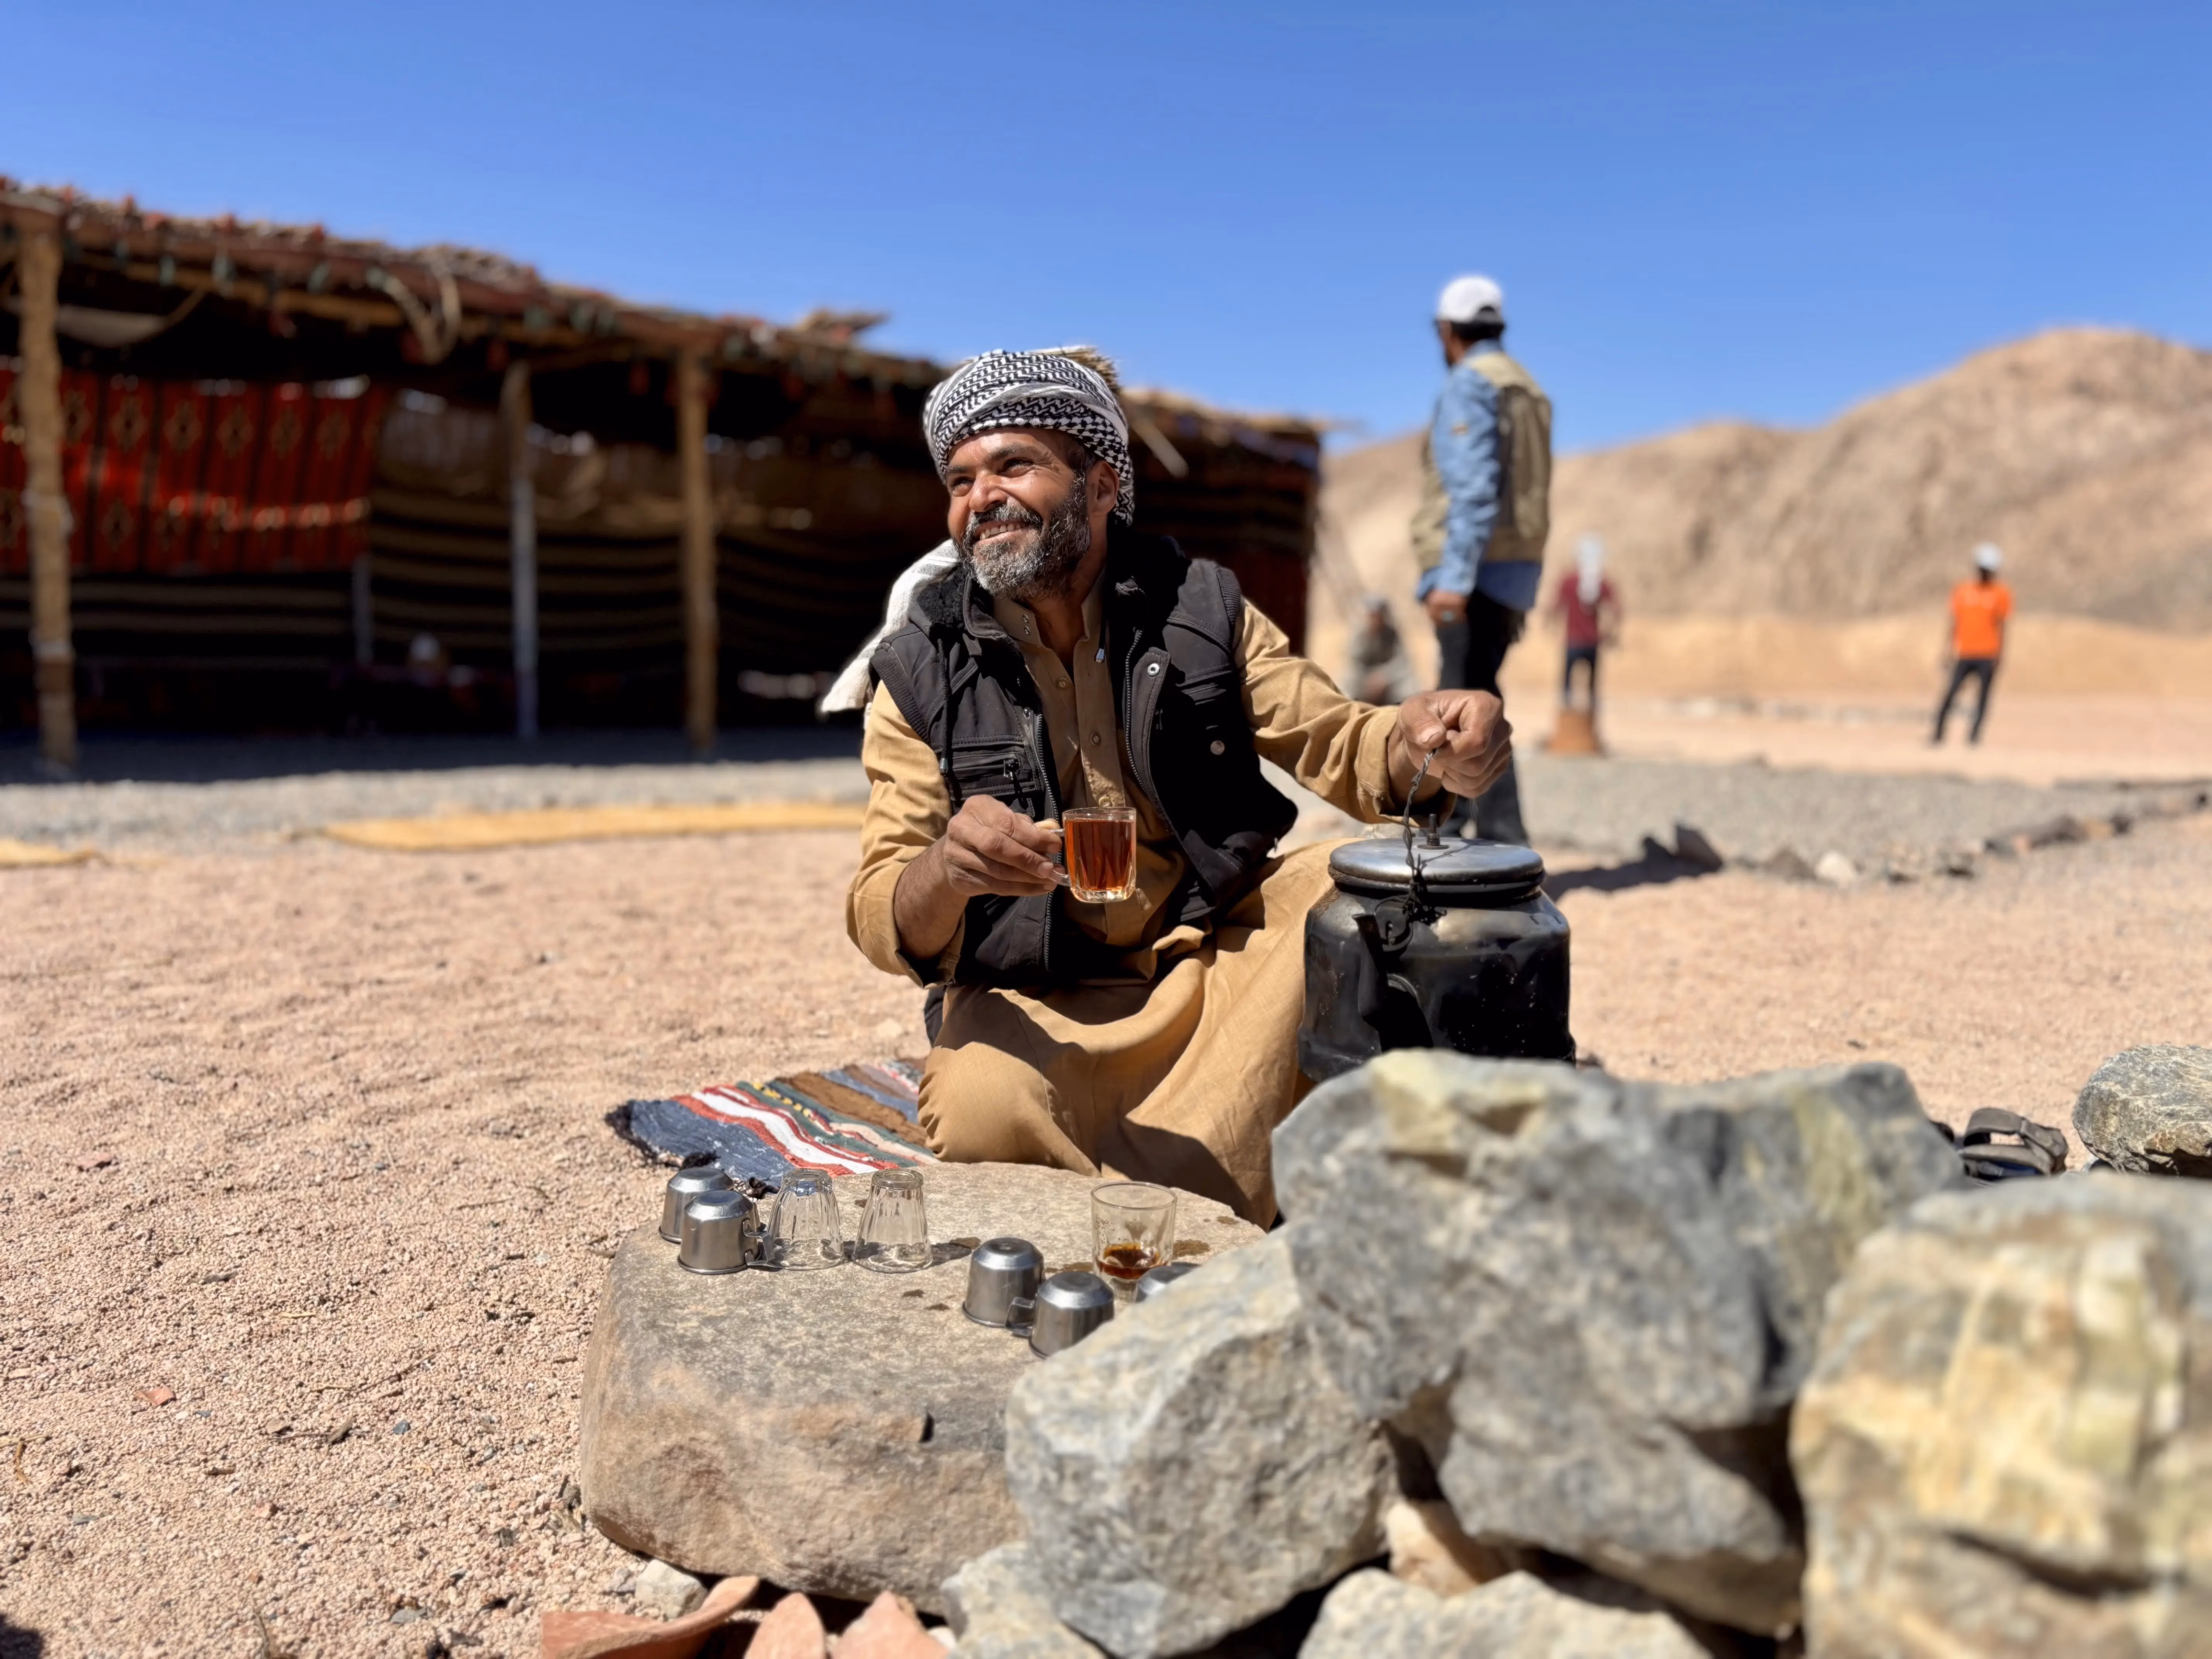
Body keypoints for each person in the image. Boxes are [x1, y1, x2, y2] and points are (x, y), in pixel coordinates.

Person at [840, 347, 1512, 1223]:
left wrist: (1431, 746)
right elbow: (881, 903)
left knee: (1360, 886)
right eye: (962, 480)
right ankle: (1232, 1174)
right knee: (979, 1108)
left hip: (1214, 959)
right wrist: (949, 870)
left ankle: (1158, 1182)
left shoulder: (1199, 607)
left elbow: (1342, 740)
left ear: (1100, 487)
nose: (981, 498)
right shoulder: (918, 670)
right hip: (1042, 992)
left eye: (1014, 466)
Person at [1413, 274, 1552, 844]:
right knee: (1478, 694)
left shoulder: (1471, 385)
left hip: (1474, 574)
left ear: (1448, 333)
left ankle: (1497, 840)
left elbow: (1473, 490)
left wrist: (1454, 579)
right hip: (1515, 568)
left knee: (1463, 708)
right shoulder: (1529, 389)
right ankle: (1474, 828)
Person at [1932, 543, 2013, 744]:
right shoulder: (1963, 591)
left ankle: (1974, 737)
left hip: (1988, 652)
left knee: (1983, 698)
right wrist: (1947, 649)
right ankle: (1938, 734)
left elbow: (2003, 625)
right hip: (1965, 652)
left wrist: (2001, 654)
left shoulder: (2001, 593)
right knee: (1951, 693)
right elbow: (1954, 621)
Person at [1550, 534, 1620, 709]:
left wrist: (1550, 626)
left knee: (1567, 686)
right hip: (1592, 641)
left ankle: (1568, 724)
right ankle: (1589, 726)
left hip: (1573, 640)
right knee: (1592, 688)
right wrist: (1611, 632)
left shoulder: (1569, 581)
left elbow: (1555, 607)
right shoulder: (1601, 582)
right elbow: (1616, 609)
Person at [1346, 592, 1416, 705]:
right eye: (1372, 616)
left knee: (1410, 685)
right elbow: (1355, 661)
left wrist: (1384, 676)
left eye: (1378, 615)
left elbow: (1401, 661)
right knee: (1349, 682)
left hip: (1388, 677)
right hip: (1364, 676)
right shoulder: (1360, 634)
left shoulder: (1392, 633)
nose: (1375, 619)